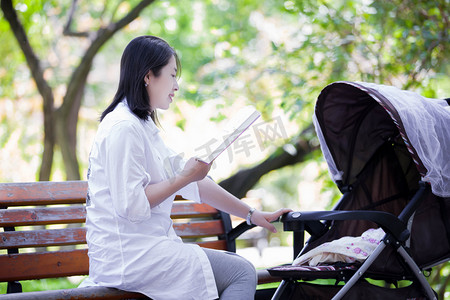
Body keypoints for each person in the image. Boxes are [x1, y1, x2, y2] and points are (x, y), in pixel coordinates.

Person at [80, 35, 291, 300]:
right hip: (129, 257)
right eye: (171, 75)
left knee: (235, 268)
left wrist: (251, 214)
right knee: (241, 273)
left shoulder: (141, 126)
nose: (176, 86)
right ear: (148, 76)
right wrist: (183, 178)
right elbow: (131, 206)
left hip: (146, 251)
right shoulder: (123, 128)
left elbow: (194, 182)